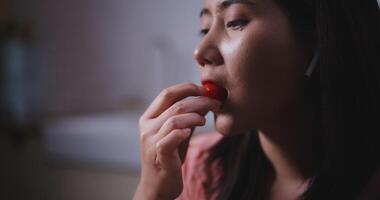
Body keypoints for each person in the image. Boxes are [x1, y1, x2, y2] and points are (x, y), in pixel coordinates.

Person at [133, 0, 380, 199]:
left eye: (234, 22)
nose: (200, 51)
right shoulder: (200, 167)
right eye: (204, 28)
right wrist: (151, 192)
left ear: (316, 39)